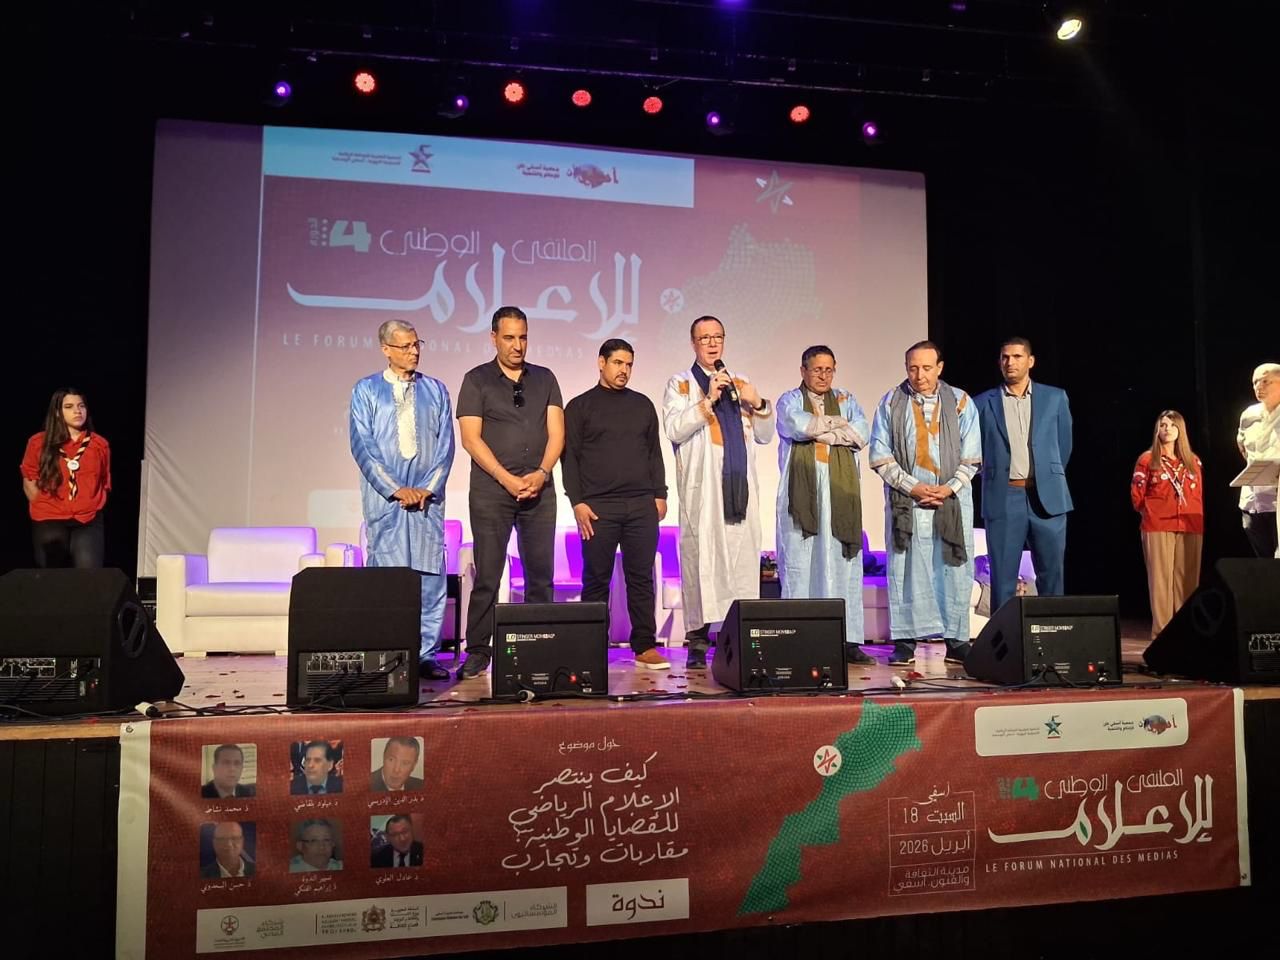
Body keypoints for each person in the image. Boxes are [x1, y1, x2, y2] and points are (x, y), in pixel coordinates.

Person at [456, 306, 564, 679]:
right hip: (491, 492)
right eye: (509, 338)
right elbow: (470, 439)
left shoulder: (545, 378)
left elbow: (557, 433)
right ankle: (479, 649)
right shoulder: (477, 380)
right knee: (488, 573)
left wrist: (542, 472)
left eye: (523, 337)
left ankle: (539, 644)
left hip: (539, 489)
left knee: (540, 574)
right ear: (493, 338)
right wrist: (506, 478)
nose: (517, 345)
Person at [662, 316, 774, 669]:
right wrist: (707, 400)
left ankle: (737, 635)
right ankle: (697, 638)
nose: (711, 344)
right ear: (693, 343)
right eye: (704, 338)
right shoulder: (680, 383)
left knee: (739, 562)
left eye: (717, 337)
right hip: (704, 491)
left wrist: (759, 403)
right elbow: (674, 429)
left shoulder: (740, 384)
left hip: (739, 488)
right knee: (702, 561)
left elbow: (765, 435)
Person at [350, 319, 456, 682]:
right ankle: (388, 652)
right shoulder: (365, 391)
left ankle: (426, 655)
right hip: (388, 501)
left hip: (427, 500)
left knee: (429, 576)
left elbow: (445, 447)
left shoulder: (436, 390)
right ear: (386, 349)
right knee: (389, 577)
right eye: (406, 346)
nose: (414, 351)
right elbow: (362, 446)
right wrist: (395, 488)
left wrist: (428, 487)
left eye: (416, 344)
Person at [868, 341, 981, 666]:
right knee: (907, 570)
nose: (919, 375)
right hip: (908, 503)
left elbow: (972, 456)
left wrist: (948, 489)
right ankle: (905, 640)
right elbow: (880, 454)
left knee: (952, 569)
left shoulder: (960, 402)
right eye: (913, 368)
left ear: (940, 368)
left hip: (952, 502)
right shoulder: (891, 402)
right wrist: (913, 486)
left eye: (926, 367)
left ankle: (956, 639)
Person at [563, 339, 670, 670]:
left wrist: (660, 493)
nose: (624, 370)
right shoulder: (580, 407)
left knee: (641, 578)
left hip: (640, 504)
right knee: (596, 578)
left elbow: (654, 452)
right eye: (618, 363)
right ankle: (590, 646)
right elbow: (570, 460)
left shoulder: (642, 405)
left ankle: (644, 646)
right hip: (598, 508)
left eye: (629, 364)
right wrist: (577, 502)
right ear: (601, 363)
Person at [775, 346, 875, 664]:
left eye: (829, 370)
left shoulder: (846, 398)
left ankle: (847, 640)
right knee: (800, 567)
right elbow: (799, 425)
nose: (823, 376)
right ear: (803, 370)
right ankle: (798, 637)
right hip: (802, 497)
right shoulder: (789, 399)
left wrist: (823, 429)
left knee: (843, 567)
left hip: (839, 494)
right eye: (817, 370)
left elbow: (861, 433)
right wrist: (837, 427)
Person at [973, 337, 1073, 611]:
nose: (1010, 362)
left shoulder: (1055, 398)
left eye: (1017, 356)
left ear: (1030, 361)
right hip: (1004, 497)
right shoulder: (982, 403)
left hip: (1047, 498)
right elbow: (975, 450)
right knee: (1003, 578)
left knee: (1051, 575)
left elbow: (1064, 446)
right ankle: (1003, 644)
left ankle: (1054, 637)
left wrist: (1046, 476)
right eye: (1005, 357)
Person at [1131, 411, 1204, 639]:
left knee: (1188, 580)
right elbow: (1137, 494)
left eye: (1173, 425)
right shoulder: (1147, 459)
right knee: (1161, 581)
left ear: (1181, 430)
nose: (1168, 429)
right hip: (1157, 524)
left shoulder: (1193, 461)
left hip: (1191, 524)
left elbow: (1199, 494)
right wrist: (1150, 512)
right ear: (1157, 430)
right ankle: (1162, 635)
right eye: (1163, 425)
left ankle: (1186, 632)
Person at [20, 388, 111, 568]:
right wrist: (41, 503)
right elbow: (29, 478)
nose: (77, 411)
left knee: (89, 576)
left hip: (87, 519)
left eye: (81, 406)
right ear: (57, 412)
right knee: (52, 578)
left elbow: (103, 481)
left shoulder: (99, 444)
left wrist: (92, 504)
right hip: (49, 517)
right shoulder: (38, 442)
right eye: (69, 407)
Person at [1236, 362, 1280, 558]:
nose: (1258, 387)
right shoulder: (1249, 414)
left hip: (1278, 498)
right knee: (1264, 563)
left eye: (1265, 381)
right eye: (1255, 382)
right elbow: (1242, 446)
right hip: (1253, 501)